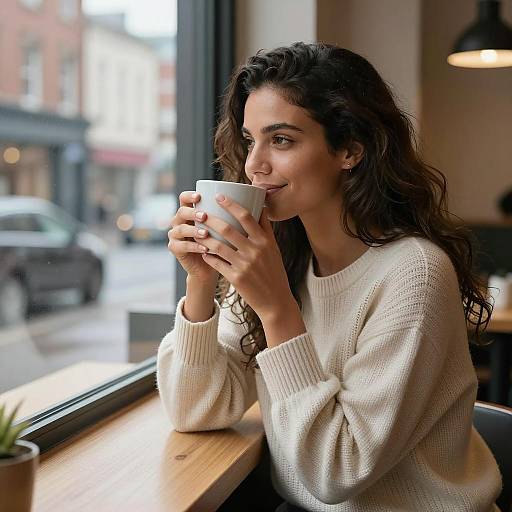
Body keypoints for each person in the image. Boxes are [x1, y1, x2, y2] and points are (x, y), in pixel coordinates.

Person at [157, 42, 502, 511]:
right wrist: (199, 281)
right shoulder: (284, 258)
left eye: (281, 140)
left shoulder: (414, 274)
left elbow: (335, 472)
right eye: (249, 139)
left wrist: (277, 307)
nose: (255, 163)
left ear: (350, 150)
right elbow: (194, 411)